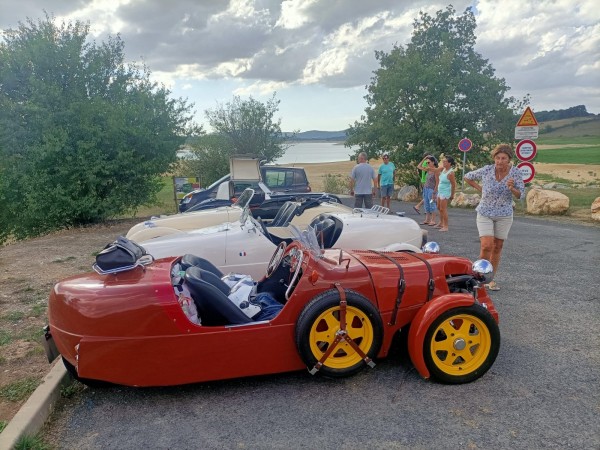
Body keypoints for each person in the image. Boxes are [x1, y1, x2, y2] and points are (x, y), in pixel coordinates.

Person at [464, 144, 525, 291]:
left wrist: (512, 189)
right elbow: (467, 177)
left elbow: (521, 195)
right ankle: (478, 277)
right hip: (485, 212)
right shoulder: (487, 169)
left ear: (509, 159)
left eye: (503, 158)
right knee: (486, 245)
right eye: (497, 158)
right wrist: (480, 189)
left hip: (504, 214)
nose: (499, 161)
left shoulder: (515, 173)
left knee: (497, 247)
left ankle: (490, 279)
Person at [434, 155, 456, 232]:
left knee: (443, 209)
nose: (443, 162)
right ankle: (441, 223)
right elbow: (434, 170)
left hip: (445, 192)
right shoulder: (443, 169)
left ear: (449, 163)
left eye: (445, 161)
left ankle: (446, 226)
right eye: (443, 161)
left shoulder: (451, 173)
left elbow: (454, 185)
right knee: (439, 207)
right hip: (440, 191)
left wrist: (452, 195)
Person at [415, 155, 439, 226]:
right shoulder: (428, 170)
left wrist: (434, 192)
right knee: (426, 204)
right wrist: (425, 158)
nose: (427, 163)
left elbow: (437, 182)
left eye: (429, 162)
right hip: (426, 189)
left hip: (432, 190)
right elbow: (419, 166)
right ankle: (427, 219)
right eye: (427, 162)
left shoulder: (436, 171)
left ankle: (433, 220)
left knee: (432, 204)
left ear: (433, 162)